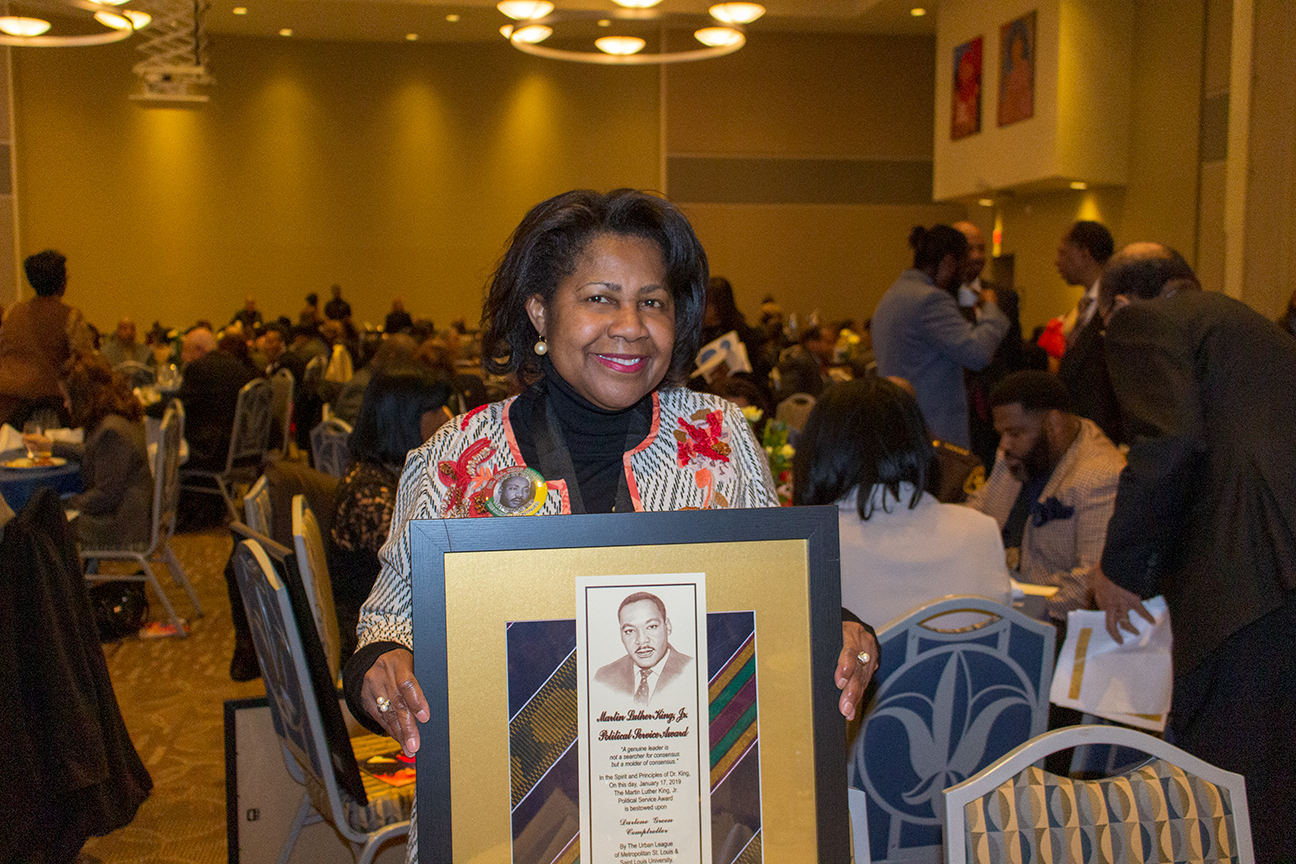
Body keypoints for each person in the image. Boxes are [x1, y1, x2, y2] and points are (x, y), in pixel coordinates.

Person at [342, 191, 879, 859]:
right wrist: (382, 666)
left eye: (652, 302)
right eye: (600, 297)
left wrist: (839, 630)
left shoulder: (717, 438)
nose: (631, 325)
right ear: (541, 309)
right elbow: (388, 622)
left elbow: (772, 595)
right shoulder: (458, 458)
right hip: (510, 818)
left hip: (687, 815)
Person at [1091, 243, 1296, 861]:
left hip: (1239, 580)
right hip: (1278, 575)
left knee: (1226, 798)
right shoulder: (1256, 329)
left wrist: (1120, 569)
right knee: (1278, 796)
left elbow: (1170, 444)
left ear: (1121, 302)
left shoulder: (1140, 321)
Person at [793, 377, 1011, 630]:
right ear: (920, 441)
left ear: (819, 450)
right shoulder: (981, 529)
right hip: (967, 669)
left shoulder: (812, 548)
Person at [966, 370, 1124, 625]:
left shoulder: (1102, 477)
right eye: (1001, 434)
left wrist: (1008, 612)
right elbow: (979, 510)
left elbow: (1091, 584)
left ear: (1054, 423)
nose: (1004, 444)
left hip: (1052, 623)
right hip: (996, 600)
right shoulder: (1014, 452)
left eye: (1015, 433)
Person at [330, 368, 452, 659]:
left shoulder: (385, 473)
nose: (447, 417)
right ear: (404, 418)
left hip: (400, 625)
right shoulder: (370, 495)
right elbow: (426, 574)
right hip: (378, 645)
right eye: (434, 409)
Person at [871, 224, 1009, 448]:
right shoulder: (931, 300)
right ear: (947, 264)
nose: (961, 281)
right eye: (961, 270)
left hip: (899, 426)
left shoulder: (892, 295)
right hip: (934, 433)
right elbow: (978, 354)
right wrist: (991, 310)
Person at [25, 354, 152, 549]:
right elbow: (92, 453)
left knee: (37, 525)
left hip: (119, 524)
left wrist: (65, 504)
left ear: (83, 396)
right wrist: (51, 447)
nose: (65, 405)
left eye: (67, 398)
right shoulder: (117, 418)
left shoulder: (111, 430)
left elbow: (105, 495)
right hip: (129, 515)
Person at [953, 220, 1025, 466]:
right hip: (958, 407)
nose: (976, 256)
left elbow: (1014, 353)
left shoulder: (1005, 297)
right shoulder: (940, 300)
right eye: (969, 249)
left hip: (997, 406)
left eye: (981, 249)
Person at [0, 250, 93, 427]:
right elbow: (84, 363)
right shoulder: (70, 316)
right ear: (61, 282)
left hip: (6, 404)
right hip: (47, 409)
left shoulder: (12, 312)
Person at [1054, 221, 1124, 444]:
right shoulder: (1083, 307)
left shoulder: (1116, 304)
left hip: (1103, 432)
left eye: (1063, 253)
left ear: (1084, 254)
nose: (1057, 262)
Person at [593, 591, 694, 706]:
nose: (641, 640)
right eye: (630, 631)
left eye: (651, 627)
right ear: (621, 634)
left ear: (668, 627)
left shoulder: (693, 671)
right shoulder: (604, 678)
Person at [176, 327, 255, 471]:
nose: (182, 357)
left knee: (164, 448)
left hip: (210, 452)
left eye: (185, 351)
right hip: (240, 449)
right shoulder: (238, 367)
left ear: (199, 350)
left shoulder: (198, 368)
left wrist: (146, 407)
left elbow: (178, 407)